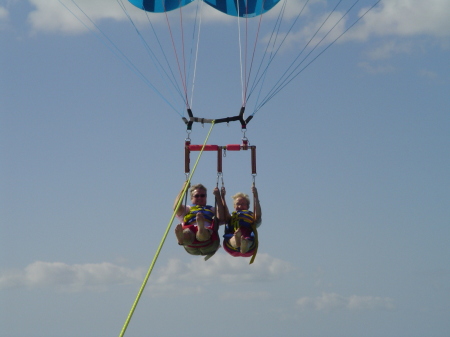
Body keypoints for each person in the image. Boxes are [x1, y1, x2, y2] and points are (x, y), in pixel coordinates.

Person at [173, 183, 225, 260]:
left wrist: (218, 196)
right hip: (191, 243)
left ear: (206, 197)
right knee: (188, 233)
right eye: (197, 196)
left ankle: (200, 228)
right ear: (191, 198)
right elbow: (176, 208)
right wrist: (183, 189)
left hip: (208, 243)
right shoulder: (187, 209)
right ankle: (182, 238)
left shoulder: (212, 209)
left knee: (203, 233)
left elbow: (222, 218)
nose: (200, 198)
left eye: (202, 195)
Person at [221, 185, 261, 257]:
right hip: (231, 245)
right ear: (234, 206)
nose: (240, 206)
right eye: (238, 204)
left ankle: (243, 244)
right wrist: (222, 197)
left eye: (243, 204)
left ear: (248, 206)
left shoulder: (251, 215)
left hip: (249, 243)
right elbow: (225, 214)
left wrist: (256, 196)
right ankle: (238, 241)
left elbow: (258, 216)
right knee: (232, 238)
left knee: (247, 240)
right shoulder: (231, 216)